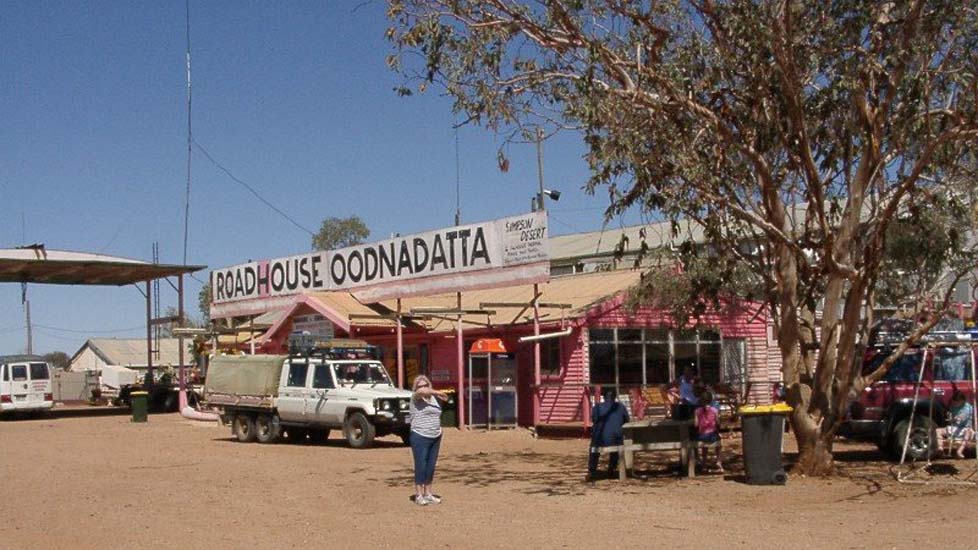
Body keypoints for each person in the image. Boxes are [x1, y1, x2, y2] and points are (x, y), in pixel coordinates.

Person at [409, 375, 449, 506]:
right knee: (421, 464)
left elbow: (443, 404)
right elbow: (421, 393)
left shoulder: (434, 399)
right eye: (420, 386)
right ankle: (419, 494)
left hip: (435, 435)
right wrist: (437, 391)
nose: (424, 389)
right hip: (420, 435)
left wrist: (442, 397)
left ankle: (428, 493)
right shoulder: (415, 398)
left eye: (426, 385)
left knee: (431, 466)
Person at [587, 387, 630, 481]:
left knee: (593, 448)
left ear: (603, 396)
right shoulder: (620, 407)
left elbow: (594, 420)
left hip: (599, 439)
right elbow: (627, 420)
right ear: (615, 396)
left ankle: (592, 470)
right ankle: (611, 468)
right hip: (616, 439)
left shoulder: (597, 408)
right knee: (616, 438)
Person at [937, 390, 975, 459]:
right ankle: (940, 448)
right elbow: (950, 416)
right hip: (954, 428)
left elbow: (963, 416)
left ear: (962, 400)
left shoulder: (969, 407)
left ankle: (959, 451)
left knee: (968, 432)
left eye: (957, 402)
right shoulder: (952, 407)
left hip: (964, 429)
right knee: (938, 430)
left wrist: (956, 418)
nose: (955, 403)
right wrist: (950, 417)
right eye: (955, 402)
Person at [694, 390, 723, 472]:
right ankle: (719, 461)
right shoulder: (715, 410)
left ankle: (704, 463)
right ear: (711, 400)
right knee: (719, 445)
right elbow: (717, 423)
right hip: (712, 435)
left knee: (704, 447)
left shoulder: (697, 411)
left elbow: (696, 425)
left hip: (702, 435)